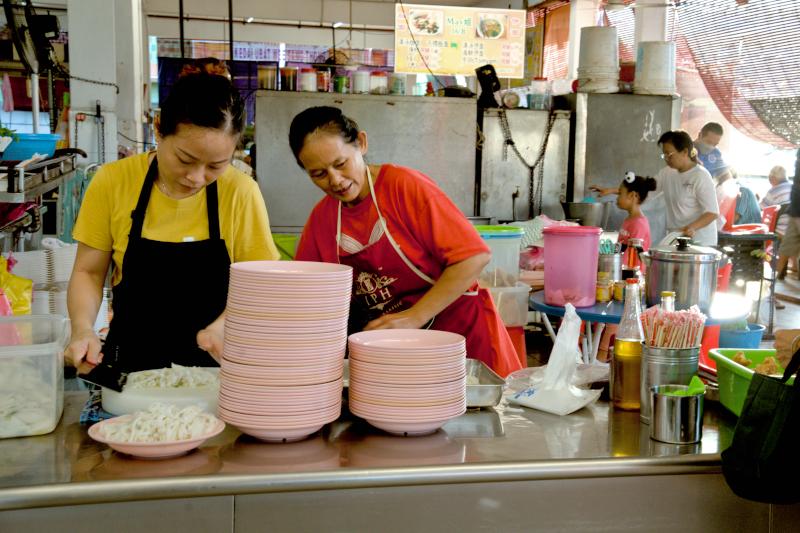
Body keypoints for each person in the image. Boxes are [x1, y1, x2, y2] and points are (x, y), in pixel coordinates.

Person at [66, 73, 279, 375]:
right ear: (158, 128)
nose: (196, 177)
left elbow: (263, 283)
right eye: (185, 159)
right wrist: (82, 330)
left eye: (216, 166)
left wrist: (226, 323)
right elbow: (88, 272)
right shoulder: (113, 182)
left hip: (217, 370)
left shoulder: (241, 192)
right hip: (129, 368)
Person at [289, 106, 522, 377]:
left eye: (341, 164)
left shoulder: (403, 187)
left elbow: (473, 257)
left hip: (463, 342)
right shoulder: (323, 219)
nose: (335, 180)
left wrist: (415, 316)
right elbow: (305, 294)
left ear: (361, 143)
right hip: (396, 353)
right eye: (319, 174)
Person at [594, 130, 719, 246]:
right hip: (676, 238)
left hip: (700, 242)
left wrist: (692, 227)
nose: (666, 159)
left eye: (669, 154)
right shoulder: (667, 172)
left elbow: (712, 213)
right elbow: (644, 190)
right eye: (664, 154)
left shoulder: (700, 176)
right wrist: (611, 190)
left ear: (685, 152)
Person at [616, 171, 657, 252]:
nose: (617, 198)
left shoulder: (638, 224)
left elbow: (633, 256)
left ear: (633, 195)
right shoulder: (629, 219)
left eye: (620, 193)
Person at [760, 165, 792, 236]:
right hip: (794, 230)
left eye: (770, 179)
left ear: (773, 178)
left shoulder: (773, 192)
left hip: (781, 232)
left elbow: (761, 209)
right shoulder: (794, 188)